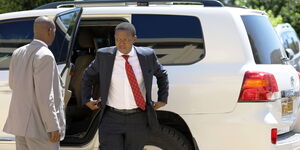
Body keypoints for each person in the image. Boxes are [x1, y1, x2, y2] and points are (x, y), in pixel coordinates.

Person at [81, 22, 169, 150]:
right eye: (118, 39)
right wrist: (86, 98)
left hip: (138, 118)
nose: (121, 44)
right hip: (111, 118)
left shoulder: (147, 56)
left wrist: (162, 98)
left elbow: (162, 74)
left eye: (126, 40)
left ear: (134, 39)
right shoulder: (104, 56)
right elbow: (88, 75)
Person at [3, 16, 65, 150]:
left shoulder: (18, 52)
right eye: (54, 31)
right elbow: (45, 97)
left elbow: (13, 84)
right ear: (50, 31)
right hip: (39, 127)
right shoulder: (45, 55)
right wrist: (53, 126)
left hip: (20, 125)